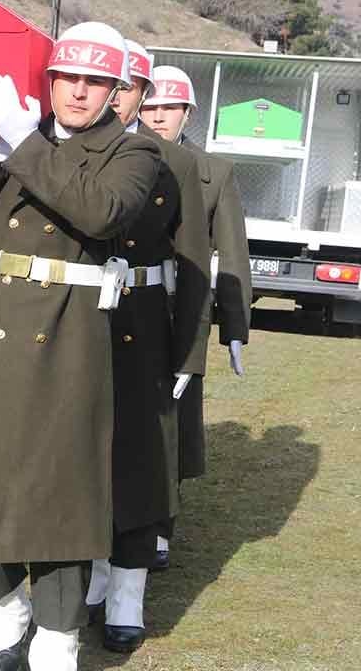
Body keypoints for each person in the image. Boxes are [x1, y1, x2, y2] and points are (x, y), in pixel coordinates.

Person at [0, 21, 161, 671]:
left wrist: (24, 144)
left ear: (115, 91)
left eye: (95, 82)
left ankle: (57, 634)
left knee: (59, 491)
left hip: (67, 335)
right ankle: (5, 606)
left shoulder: (133, 152)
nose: (78, 92)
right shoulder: (22, 142)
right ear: (48, 81)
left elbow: (102, 212)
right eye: (67, 78)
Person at [84, 40, 210, 656]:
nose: (121, 97)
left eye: (131, 87)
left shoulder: (175, 163)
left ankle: (127, 593)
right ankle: (88, 574)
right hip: (75, 321)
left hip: (143, 323)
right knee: (79, 456)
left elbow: (193, 264)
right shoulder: (68, 151)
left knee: (137, 462)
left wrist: (190, 351)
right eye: (115, 85)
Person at [140, 62, 250, 561]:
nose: (158, 116)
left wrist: (234, 327)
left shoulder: (215, 172)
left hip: (181, 310)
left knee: (176, 420)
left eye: (170, 107)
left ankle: (161, 526)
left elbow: (231, 252)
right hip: (126, 300)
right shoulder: (121, 158)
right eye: (151, 106)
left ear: (188, 112)